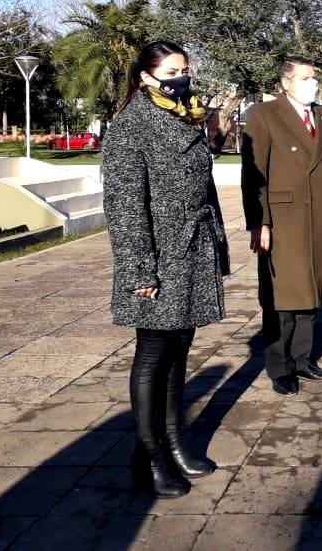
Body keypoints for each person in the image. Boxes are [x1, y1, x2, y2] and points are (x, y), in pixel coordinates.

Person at [102, 40, 229, 498]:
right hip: (158, 255)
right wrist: (139, 270)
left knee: (179, 350)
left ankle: (175, 442)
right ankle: (148, 454)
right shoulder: (131, 126)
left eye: (184, 70)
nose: (181, 78)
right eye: (172, 72)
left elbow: (204, 189)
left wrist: (217, 246)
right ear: (146, 77)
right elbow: (124, 205)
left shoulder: (183, 115)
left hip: (191, 251)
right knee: (154, 353)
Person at [241, 57, 322, 396]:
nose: (313, 83)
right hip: (282, 219)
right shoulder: (264, 114)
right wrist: (259, 222)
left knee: (310, 292)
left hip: (317, 216)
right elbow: (253, 174)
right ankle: (280, 366)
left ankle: (303, 359)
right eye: (305, 78)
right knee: (282, 296)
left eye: (314, 78)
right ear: (286, 83)